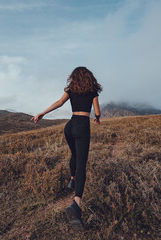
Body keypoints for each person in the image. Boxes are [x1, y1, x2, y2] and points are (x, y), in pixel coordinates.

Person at [30, 66, 102, 230]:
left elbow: (59, 102)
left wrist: (42, 113)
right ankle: (76, 204)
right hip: (82, 125)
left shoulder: (71, 89)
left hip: (69, 125)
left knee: (74, 154)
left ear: (74, 78)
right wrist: (97, 118)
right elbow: (96, 110)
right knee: (81, 163)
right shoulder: (92, 92)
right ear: (90, 78)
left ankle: (72, 180)